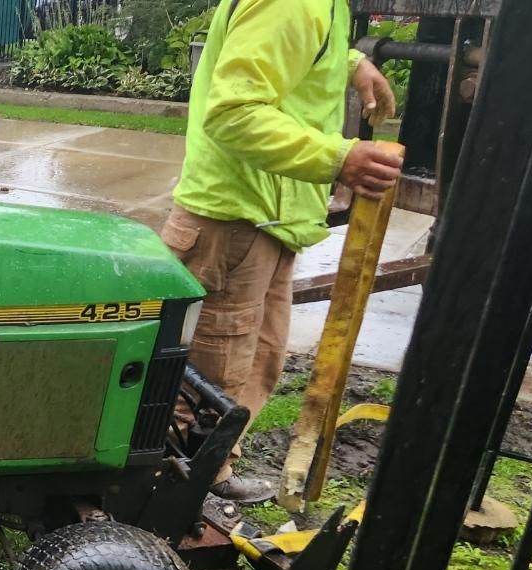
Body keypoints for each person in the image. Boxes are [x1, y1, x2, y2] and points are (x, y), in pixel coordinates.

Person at [165, 0, 404, 504]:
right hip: (232, 222)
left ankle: (207, 478)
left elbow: (292, 55)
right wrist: (337, 158)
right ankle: (164, 499)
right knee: (207, 382)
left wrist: (352, 62)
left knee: (257, 365)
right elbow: (232, 114)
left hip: (268, 220)